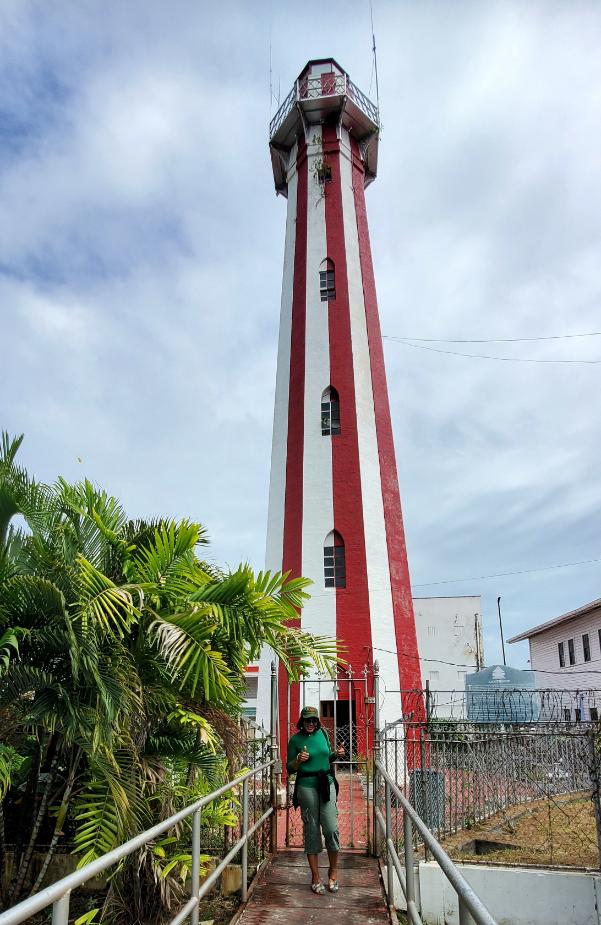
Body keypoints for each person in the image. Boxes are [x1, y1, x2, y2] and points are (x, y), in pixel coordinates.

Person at [286, 705, 345, 894]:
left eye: (313, 720)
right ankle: (315, 876)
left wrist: (337, 754)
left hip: (326, 784)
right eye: (307, 720)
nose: (310, 723)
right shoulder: (295, 740)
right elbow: (290, 768)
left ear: (317, 721)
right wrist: (298, 760)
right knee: (311, 830)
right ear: (301, 722)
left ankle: (333, 871)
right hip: (306, 786)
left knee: (331, 828)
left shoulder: (324, 734)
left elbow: (327, 758)